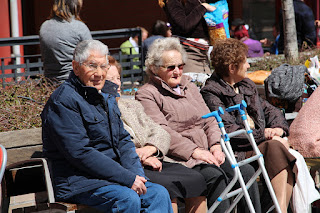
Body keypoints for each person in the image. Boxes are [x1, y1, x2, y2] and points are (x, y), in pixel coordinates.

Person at [41, 39, 173, 213]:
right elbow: (80, 152)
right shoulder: (63, 101)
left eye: (103, 66)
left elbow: (123, 140)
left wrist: (136, 174)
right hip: (79, 182)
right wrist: (127, 178)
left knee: (159, 194)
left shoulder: (105, 96)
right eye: (92, 66)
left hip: (112, 178)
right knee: (127, 199)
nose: (99, 73)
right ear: (75, 67)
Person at [135, 37, 261, 213]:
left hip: (208, 152)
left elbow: (209, 119)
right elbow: (162, 131)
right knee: (215, 177)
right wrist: (195, 151)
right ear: (155, 69)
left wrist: (216, 145)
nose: (177, 71)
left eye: (180, 66)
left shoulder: (189, 86)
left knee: (245, 172)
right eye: (170, 67)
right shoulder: (147, 94)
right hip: (181, 158)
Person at [200, 38, 297, 213]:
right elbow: (229, 130)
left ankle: (279, 209)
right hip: (238, 150)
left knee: (279, 146)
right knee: (276, 147)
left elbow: (270, 110)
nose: (248, 66)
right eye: (244, 62)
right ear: (232, 68)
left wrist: (278, 128)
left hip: (257, 144)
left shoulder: (245, 85)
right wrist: (265, 134)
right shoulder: (211, 92)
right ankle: (280, 209)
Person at [105, 55, 207, 213]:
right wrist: (138, 155)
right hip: (131, 166)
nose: (117, 84)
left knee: (196, 180)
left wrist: (151, 148)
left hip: (154, 158)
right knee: (166, 188)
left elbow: (159, 131)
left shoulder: (131, 106)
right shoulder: (99, 110)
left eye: (118, 78)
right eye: (110, 79)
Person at [39, 0, 92, 83]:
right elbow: (93, 54)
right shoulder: (78, 27)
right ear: (75, 5)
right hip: (74, 82)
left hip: (49, 81)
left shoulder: (45, 26)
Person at [158, 0, 216, 75]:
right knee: (193, 84)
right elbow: (184, 25)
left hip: (204, 56)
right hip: (189, 54)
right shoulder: (173, 1)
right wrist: (203, 7)